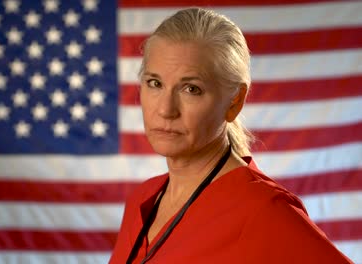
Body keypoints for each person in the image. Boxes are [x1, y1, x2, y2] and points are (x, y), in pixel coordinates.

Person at [109, 7, 353, 264]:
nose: (165, 110)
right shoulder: (143, 199)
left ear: (235, 101)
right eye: (155, 83)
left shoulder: (263, 210)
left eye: (191, 89)